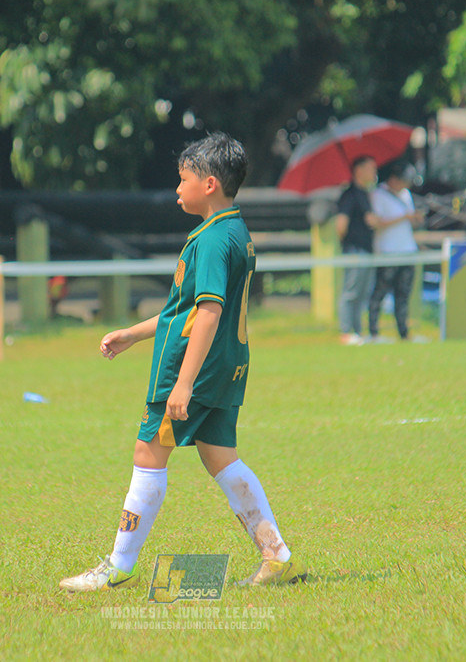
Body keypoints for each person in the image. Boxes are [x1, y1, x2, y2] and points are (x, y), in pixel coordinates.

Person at [59, 132, 306, 592]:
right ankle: (276, 555)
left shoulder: (213, 240)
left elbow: (208, 312)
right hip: (227, 366)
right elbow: (187, 308)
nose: (177, 190)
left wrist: (183, 383)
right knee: (221, 458)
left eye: (183, 179)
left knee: (147, 454)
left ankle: (117, 565)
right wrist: (133, 334)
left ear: (209, 184)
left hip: (194, 368)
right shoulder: (233, 230)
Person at [367, 160, 425, 342]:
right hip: (387, 251)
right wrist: (403, 217)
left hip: (407, 250)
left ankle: (403, 332)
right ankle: (373, 331)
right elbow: (377, 223)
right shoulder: (378, 195)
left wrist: (415, 219)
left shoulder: (406, 195)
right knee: (380, 292)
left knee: (403, 294)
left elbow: (410, 220)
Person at [334, 155, 379, 346]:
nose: (374, 173)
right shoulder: (350, 194)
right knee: (350, 292)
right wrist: (348, 243)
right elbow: (340, 224)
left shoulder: (364, 194)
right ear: (359, 170)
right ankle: (346, 331)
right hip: (354, 250)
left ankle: (358, 332)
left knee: (362, 293)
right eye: (371, 168)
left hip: (366, 250)